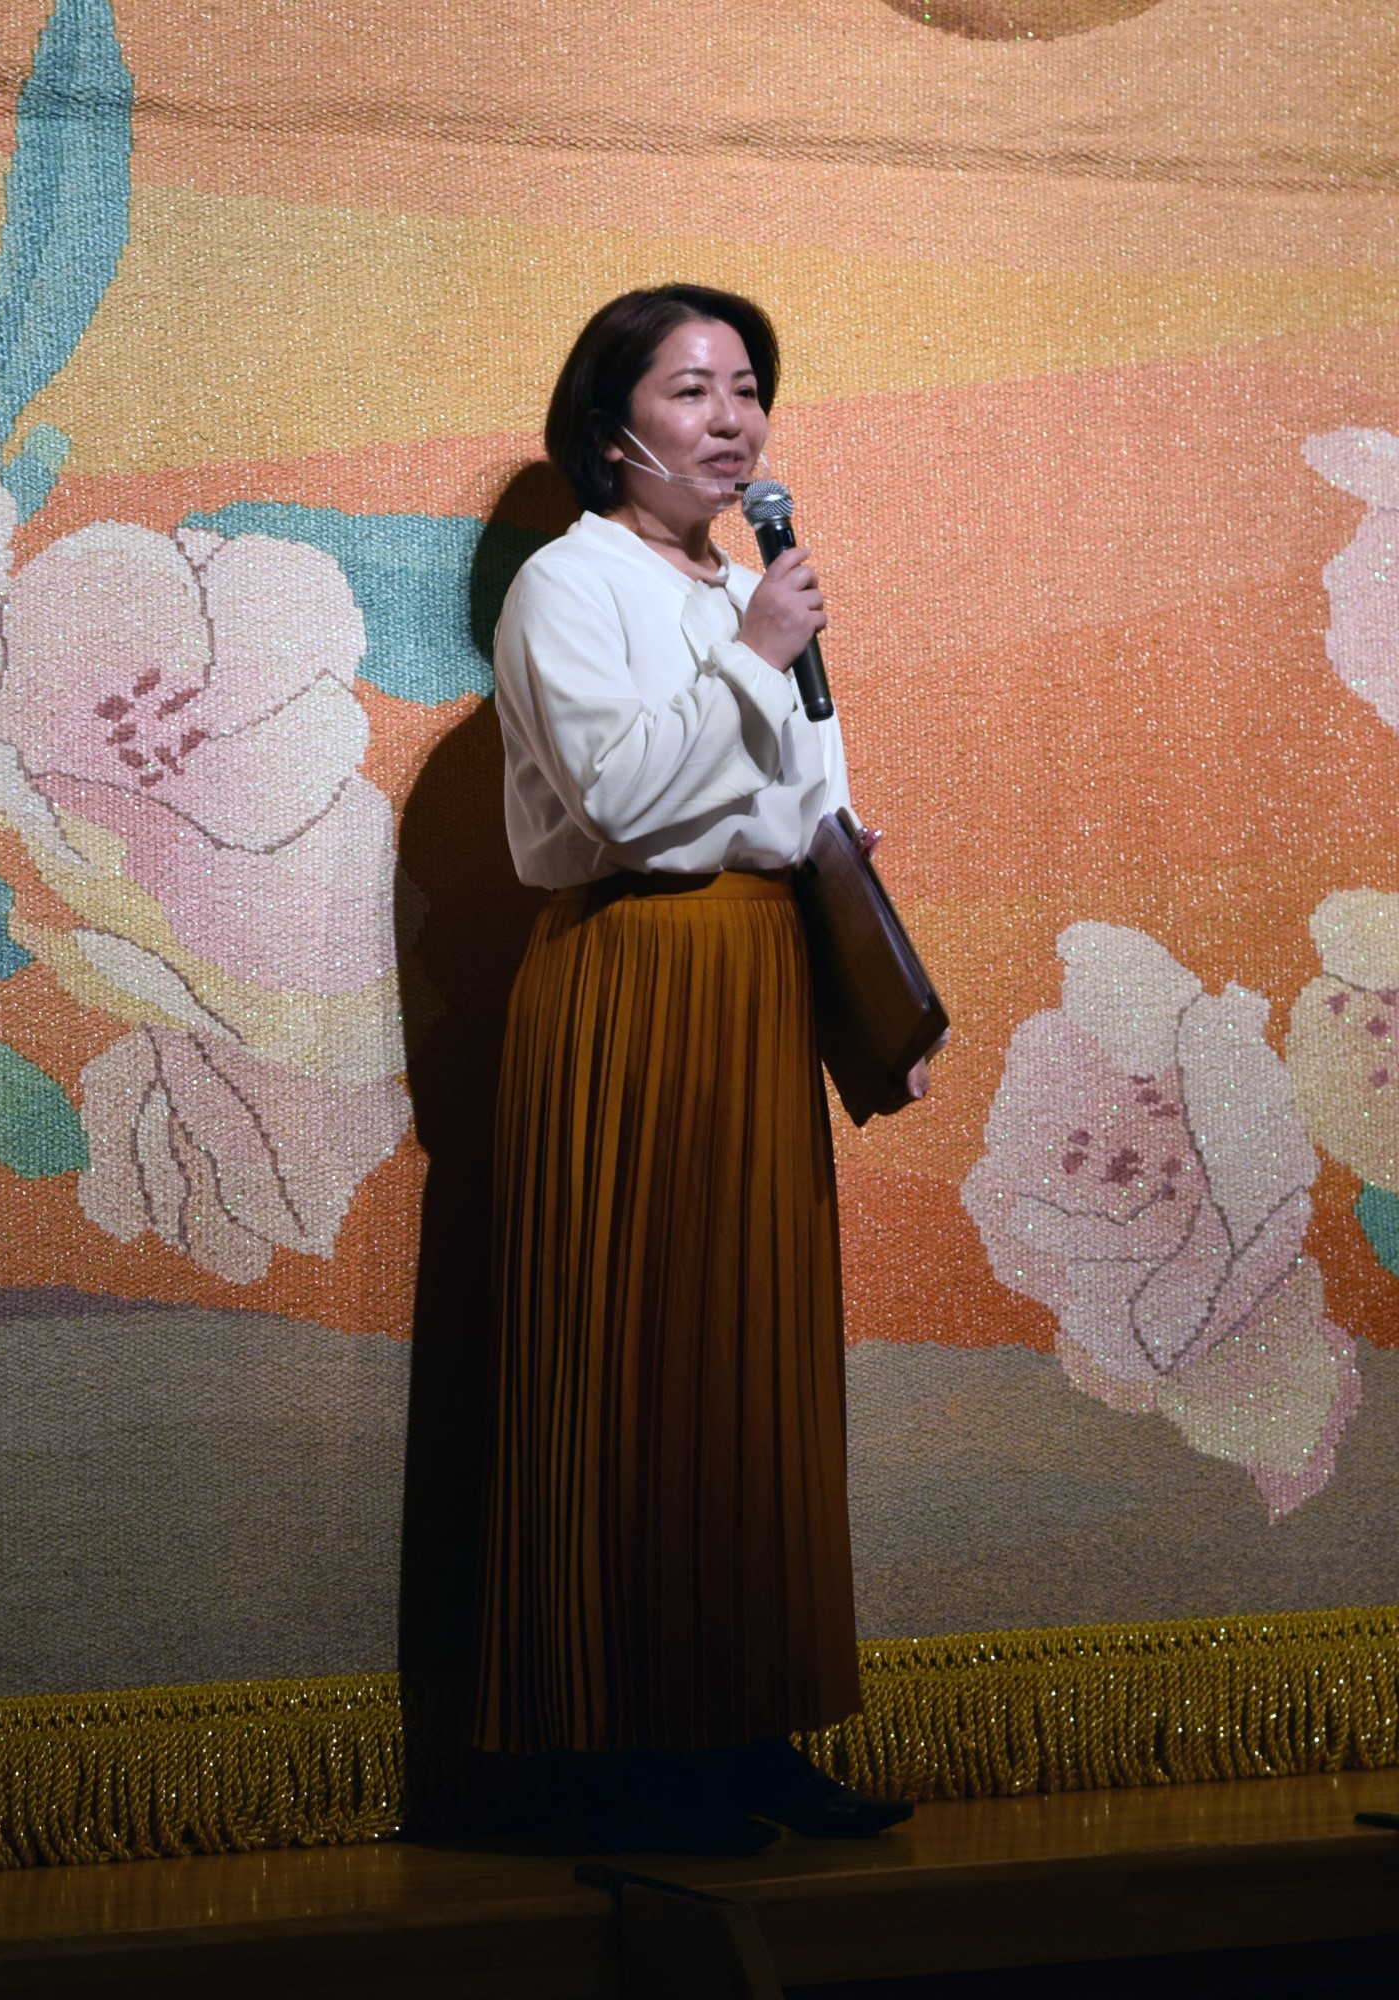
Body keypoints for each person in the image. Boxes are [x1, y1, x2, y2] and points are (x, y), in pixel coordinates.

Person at [472, 284, 913, 1854]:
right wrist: (752, 650)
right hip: (636, 975)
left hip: (756, 979)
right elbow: (618, 804)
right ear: (612, 431)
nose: (732, 420)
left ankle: (749, 1728)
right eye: (691, 390)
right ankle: (623, 1755)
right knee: (634, 1351)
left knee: (752, 1361)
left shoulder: (749, 585)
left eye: (746, 389)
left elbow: (796, 797)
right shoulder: (566, 586)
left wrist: (859, 954)